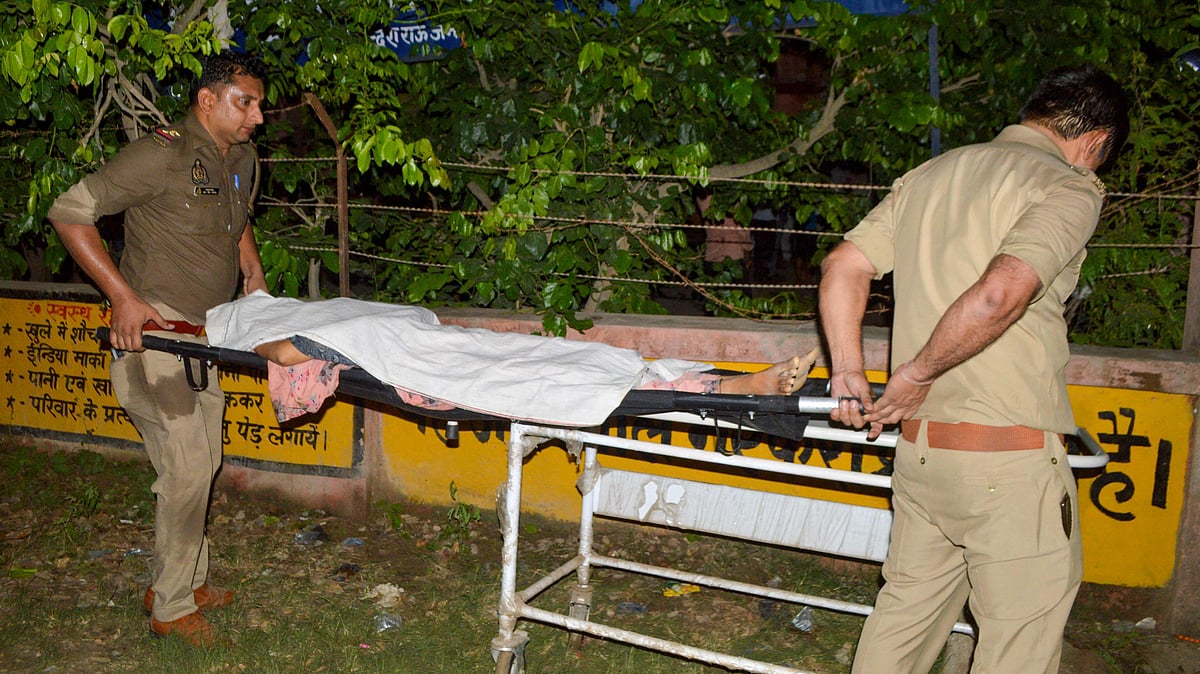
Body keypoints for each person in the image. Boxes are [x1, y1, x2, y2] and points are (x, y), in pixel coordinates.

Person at [818, 64, 1128, 673]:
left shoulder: (933, 173)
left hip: (922, 453)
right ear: (1094, 143)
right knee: (1019, 644)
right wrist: (917, 373)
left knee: (904, 617)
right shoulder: (1067, 185)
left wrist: (848, 369)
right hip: (1007, 461)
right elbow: (998, 295)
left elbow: (843, 266)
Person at [47, 51, 269, 647]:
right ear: (207, 100)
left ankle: (184, 583)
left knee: (202, 464)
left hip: (209, 336)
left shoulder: (242, 158)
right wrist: (121, 296)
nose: (258, 117)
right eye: (245, 103)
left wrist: (252, 269)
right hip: (154, 337)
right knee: (188, 467)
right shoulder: (161, 154)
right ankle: (170, 608)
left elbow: (235, 214)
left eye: (259, 104)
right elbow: (69, 211)